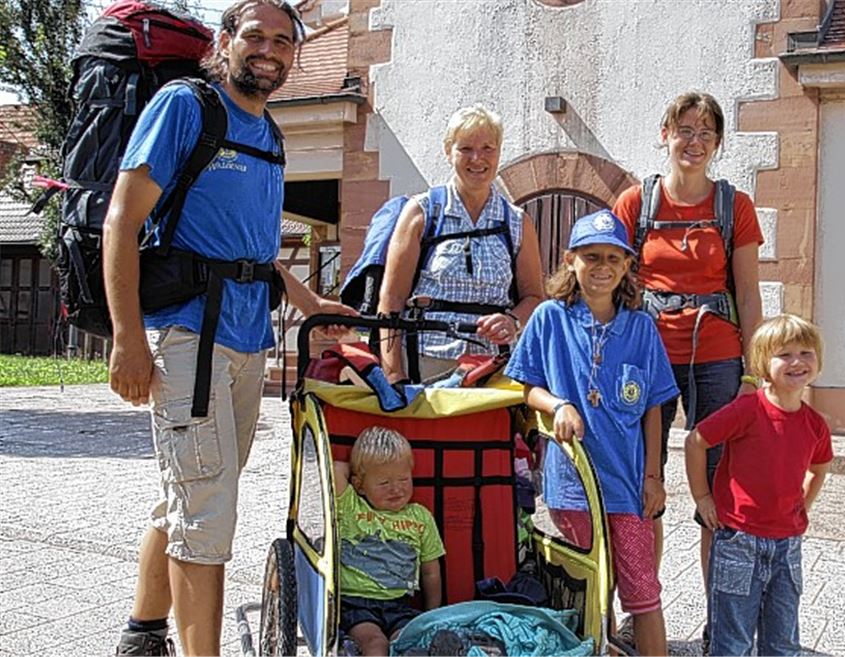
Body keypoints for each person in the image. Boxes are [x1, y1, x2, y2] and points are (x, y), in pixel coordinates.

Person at [105, 2, 356, 654]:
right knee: (207, 511)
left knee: (192, 492)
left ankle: (141, 634)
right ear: (225, 41)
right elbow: (120, 222)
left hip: (247, 337)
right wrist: (128, 338)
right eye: (255, 35)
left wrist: (308, 299)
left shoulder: (269, 132)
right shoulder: (186, 107)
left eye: (283, 39)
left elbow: (256, 247)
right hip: (188, 333)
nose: (269, 49)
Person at [504, 210, 679, 656]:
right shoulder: (548, 319)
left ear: (626, 265)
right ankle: (602, 646)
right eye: (590, 256)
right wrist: (558, 404)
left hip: (627, 487)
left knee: (643, 589)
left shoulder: (641, 327)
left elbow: (654, 407)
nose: (601, 266)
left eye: (612, 257)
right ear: (571, 261)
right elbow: (525, 386)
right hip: (573, 486)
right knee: (589, 588)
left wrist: (654, 476)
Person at [611, 91, 764, 590]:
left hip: (718, 359)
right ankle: (642, 608)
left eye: (705, 133)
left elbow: (747, 291)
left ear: (717, 142)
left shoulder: (734, 206)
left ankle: (720, 616)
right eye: (685, 130)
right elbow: (610, 282)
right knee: (640, 482)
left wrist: (752, 372)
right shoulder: (637, 202)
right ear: (666, 135)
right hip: (647, 358)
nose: (694, 142)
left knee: (718, 484)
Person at [684, 314, 832, 656]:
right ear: (764, 364)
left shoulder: (814, 424)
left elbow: (819, 469)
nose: (797, 361)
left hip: (786, 546)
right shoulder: (747, 409)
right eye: (785, 354)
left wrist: (800, 509)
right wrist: (702, 498)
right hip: (738, 540)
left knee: (782, 642)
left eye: (806, 353)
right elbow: (696, 441)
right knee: (732, 642)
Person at [378, 104, 544, 382]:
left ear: (499, 152)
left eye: (488, 148)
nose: (477, 158)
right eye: (465, 148)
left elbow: (535, 298)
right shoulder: (422, 212)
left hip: (495, 363)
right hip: (427, 358)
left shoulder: (516, 222)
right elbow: (392, 298)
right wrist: (393, 374)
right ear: (448, 152)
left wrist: (512, 321)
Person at [334, 427, 444, 656]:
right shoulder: (352, 507)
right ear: (360, 485)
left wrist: (431, 613)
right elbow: (334, 470)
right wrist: (358, 476)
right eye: (384, 483)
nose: (396, 489)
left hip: (399, 605)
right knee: (376, 645)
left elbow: (430, 572)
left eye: (404, 479)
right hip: (357, 605)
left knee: (408, 644)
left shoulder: (420, 517)